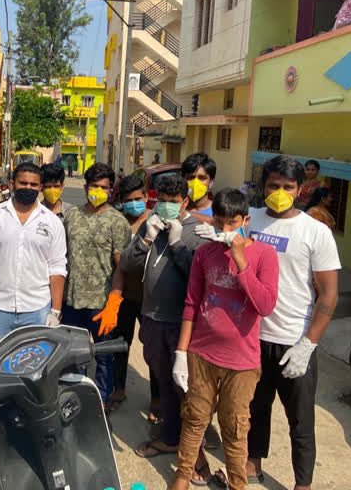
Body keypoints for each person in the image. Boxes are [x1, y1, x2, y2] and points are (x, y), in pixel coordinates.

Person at [232, 155, 340, 490]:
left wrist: (308, 344)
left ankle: (302, 484)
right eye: (273, 185)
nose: (280, 192)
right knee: (255, 408)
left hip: (294, 340)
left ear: (300, 188)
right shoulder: (251, 221)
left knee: (301, 420)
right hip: (254, 337)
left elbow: (329, 296)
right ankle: (253, 463)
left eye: (288, 186)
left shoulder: (315, 231)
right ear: (263, 186)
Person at [170, 188, 279, 490]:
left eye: (233, 223)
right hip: (202, 353)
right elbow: (192, 302)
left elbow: (265, 305)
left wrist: (241, 258)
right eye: (220, 223)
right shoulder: (205, 253)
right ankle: (182, 474)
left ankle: (237, 483)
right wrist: (182, 352)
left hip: (241, 362)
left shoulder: (264, 255)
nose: (226, 230)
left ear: (246, 220)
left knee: (234, 428)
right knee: (194, 419)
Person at [120, 174, 213, 484]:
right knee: (162, 380)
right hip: (152, 318)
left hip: (181, 324)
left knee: (187, 389)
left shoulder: (195, 233)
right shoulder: (152, 224)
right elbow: (129, 266)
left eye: (174, 203)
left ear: (185, 202)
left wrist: (175, 245)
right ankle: (171, 437)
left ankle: (195, 452)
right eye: (162, 202)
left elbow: (198, 277)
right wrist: (147, 238)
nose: (168, 207)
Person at [0, 161, 67, 440]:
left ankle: (30, 419)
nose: (28, 188)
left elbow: (58, 267)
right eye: (23, 183)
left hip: (37, 308)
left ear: (40, 187)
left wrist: (56, 310)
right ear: (12, 183)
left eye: (34, 185)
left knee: (35, 370)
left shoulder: (50, 223)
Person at [63, 163, 130, 409]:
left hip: (101, 303)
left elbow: (121, 267)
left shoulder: (117, 222)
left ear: (111, 190)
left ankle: (100, 401)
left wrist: (114, 302)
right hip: (71, 301)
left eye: (104, 187)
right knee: (73, 356)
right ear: (85, 187)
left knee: (103, 356)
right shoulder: (72, 216)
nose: (98, 191)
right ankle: (73, 398)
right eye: (94, 186)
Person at [108, 174, 157, 416]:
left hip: (151, 298)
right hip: (125, 295)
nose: (133, 204)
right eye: (128, 200)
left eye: (138, 199)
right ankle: (118, 388)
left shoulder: (157, 220)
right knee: (120, 345)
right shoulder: (119, 222)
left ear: (146, 198)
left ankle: (157, 399)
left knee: (154, 350)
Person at [181, 153, 216, 223]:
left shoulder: (219, 212)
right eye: (191, 177)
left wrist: (180, 213)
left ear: (211, 183)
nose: (195, 183)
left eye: (202, 178)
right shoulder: (175, 205)